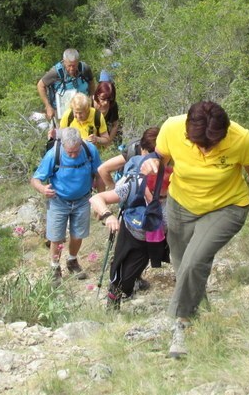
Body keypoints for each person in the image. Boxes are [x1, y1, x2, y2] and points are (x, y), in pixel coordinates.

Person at [153, 101, 249, 359]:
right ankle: (202, 316)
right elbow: (158, 158)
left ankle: (181, 325)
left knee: (194, 262)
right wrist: (149, 165)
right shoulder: (172, 127)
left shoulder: (241, 139)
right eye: (199, 144)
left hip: (226, 207)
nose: (205, 149)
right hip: (181, 204)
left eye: (211, 144)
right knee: (182, 265)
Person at [90, 153, 172, 310]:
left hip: (156, 238)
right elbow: (96, 199)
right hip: (131, 233)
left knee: (132, 275)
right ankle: (112, 307)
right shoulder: (133, 185)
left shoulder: (176, 191)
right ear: (146, 186)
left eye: (163, 196)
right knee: (120, 275)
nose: (160, 200)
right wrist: (108, 216)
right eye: (157, 195)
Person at [30, 127, 102, 283]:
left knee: (78, 234)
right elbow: (35, 179)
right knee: (56, 237)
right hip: (58, 201)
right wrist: (43, 189)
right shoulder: (53, 155)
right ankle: (55, 267)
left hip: (83, 199)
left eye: (76, 151)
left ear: (81, 144)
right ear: (63, 145)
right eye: (70, 152)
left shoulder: (90, 150)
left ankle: (72, 260)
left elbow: (99, 173)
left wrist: (101, 200)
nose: (74, 155)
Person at [37, 48, 96, 121]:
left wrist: (91, 100)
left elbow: (91, 83)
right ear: (64, 62)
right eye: (69, 66)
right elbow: (40, 85)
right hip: (62, 111)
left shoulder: (84, 68)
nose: (71, 69)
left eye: (74, 65)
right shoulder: (55, 72)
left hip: (82, 110)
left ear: (78, 62)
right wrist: (48, 106)